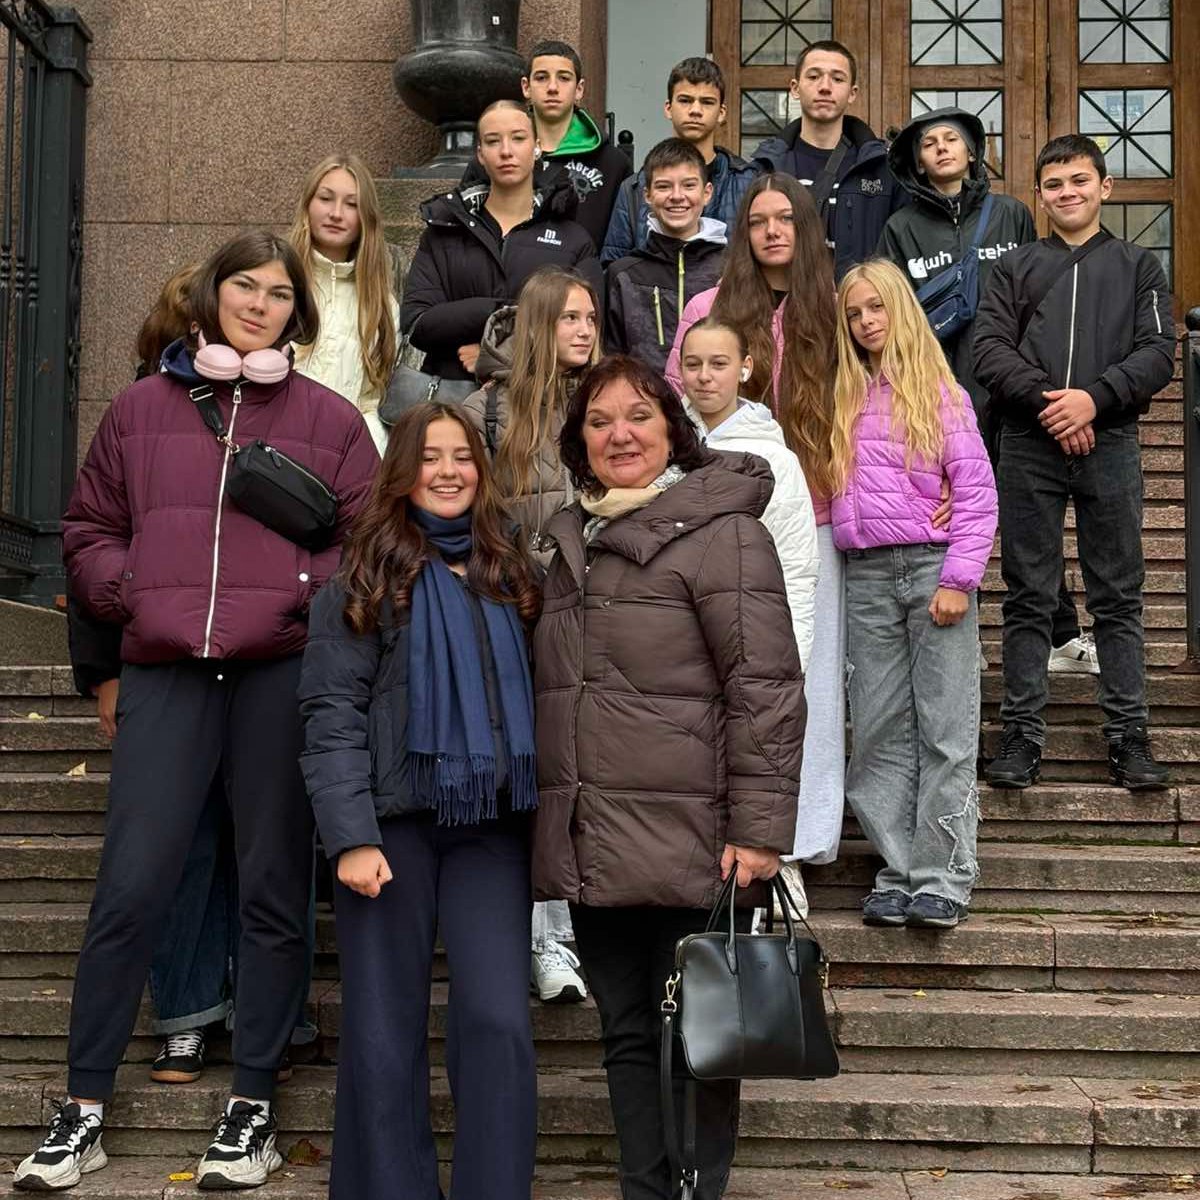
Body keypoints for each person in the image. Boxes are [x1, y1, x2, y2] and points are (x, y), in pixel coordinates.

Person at [14, 231, 380, 1193]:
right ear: (212, 296)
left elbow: (366, 540)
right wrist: (132, 592)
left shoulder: (330, 419)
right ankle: (82, 1108)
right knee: (130, 888)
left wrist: (300, 594)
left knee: (272, 891)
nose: (259, 305)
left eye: (278, 293)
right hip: (168, 673)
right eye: (243, 287)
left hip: (277, 675)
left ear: (298, 313)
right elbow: (89, 526)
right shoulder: (140, 409)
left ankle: (251, 1106)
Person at [534, 354, 806, 1200]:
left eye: (639, 416)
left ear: (673, 431)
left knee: (701, 1038)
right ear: (578, 442)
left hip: (699, 843)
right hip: (599, 840)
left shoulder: (725, 533)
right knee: (624, 1033)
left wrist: (759, 831)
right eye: (599, 421)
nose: (620, 434)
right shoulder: (569, 542)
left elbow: (765, 687)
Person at [299, 402, 541, 1200]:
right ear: (402, 473)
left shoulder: (513, 574)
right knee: (382, 1030)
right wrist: (350, 836)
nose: (448, 471)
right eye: (430, 457)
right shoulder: (364, 579)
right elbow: (331, 714)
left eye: (462, 456)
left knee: (498, 1019)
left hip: (489, 827)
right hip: (389, 830)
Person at [65, 264, 245, 1088]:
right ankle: (186, 1014)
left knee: (258, 850)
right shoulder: (136, 418)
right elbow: (94, 546)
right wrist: (102, 676)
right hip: (162, 669)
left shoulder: (267, 412)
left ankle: (257, 1007)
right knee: (180, 851)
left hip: (251, 670)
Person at [973, 134, 1175, 792]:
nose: (1068, 193)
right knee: (1029, 595)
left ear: (1104, 187)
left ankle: (1129, 738)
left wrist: (1096, 398)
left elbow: (1158, 353)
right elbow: (989, 351)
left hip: (1110, 441)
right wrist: (1055, 405)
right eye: (1055, 184)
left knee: (1117, 597)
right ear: (1040, 195)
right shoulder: (1013, 268)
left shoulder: (1139, 266)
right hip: (1028, 442)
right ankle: (1021, 737)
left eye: (1080, 181)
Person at [667, 173, 849, 871]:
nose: (773, 232)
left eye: (786, 219)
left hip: (818, 513)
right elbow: (675, 411)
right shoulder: (710, 308)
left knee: (808, 683)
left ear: (806, 229)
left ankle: (796, 844)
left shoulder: (834, 307)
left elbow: (872, 410)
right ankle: (723, 833)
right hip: (719, 520)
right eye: (758, 220)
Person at [876, 108, 1088, 676]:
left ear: (972, 152)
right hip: (935, 397)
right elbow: (891, 314)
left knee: (1026, 520)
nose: (942, 148)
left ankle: (1061, 636)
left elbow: (1040, 299)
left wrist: (1041, 380)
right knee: (941, 515)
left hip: (1010, 394)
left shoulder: (1011, 214)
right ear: (917, 161)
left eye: (952, 139)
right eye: (929, 143)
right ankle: (946, 640)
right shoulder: (900, 228)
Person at [832, 259, 997, 930]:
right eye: (854, 312)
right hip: (866, 574)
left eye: (876, 307)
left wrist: (959, 578)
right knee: (878, 729)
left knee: (945, 729)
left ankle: (943, 875)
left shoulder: (939, 391)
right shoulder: (841, 394)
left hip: (932, 570)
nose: (866, 321)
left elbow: (977, 492)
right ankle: (898, 871)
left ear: (901, 308)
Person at [462, 266, 601, 1004]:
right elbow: (465, 512)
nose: (584, 330)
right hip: (521, 617)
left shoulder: (611, 398)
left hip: (601, 615)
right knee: (540, 774)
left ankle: (590, 928)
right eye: (570, 317)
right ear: (540, 324)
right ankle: (546, 937)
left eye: (592, 317)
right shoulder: (489, 408)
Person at [402, 100, 602, 383]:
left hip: (541, 399)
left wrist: (497, 354)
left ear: (537, 147)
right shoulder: (444, 231)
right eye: (493, 141)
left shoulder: (573, 239)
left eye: (518, 138)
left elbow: (586, 330)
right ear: (480, 154)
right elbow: (417, 324)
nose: (506, 151)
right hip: (451, 394)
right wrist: (498, 311)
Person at [753, 39, 906, 280]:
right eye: (814, 77)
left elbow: (902, 253)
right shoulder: (765, 167)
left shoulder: (884, 169)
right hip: (783, 300)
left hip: (859, 301)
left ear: (852, 93)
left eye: (837, 78)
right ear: (795, 88)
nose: (825, 87)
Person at [461, 39, 632, 251]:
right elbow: (464, 234)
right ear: (526, 87)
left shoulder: (613, 164)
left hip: (582, 269)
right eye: (541, 78)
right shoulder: (496, 158)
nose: (552, 88)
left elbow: (620, 246)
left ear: (579, 89)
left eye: (564, 78)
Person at [288, 152, 400, 456]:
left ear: (366, 217)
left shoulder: (381, 304)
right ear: (308, 204)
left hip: (342, 459)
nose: (336, 213)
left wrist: (368, 454)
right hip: (275, 455)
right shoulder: (279, 283)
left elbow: (371, 401)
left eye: (351, 204)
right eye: (326, 198)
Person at [601, 56, 757, 264]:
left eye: (707, 102)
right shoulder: (634, 189)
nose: (695, 110)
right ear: (668, 108)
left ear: (721, 113)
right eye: (685, 100)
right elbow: (614, 268)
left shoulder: (747, 183)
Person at [605, 139, 727, 375]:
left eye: (689, 185)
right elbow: (612, 361)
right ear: (647, 195)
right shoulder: (622, 275)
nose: (677, 196)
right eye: (663, 186)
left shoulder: (732, 269)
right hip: (642, 397)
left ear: (707, 193)